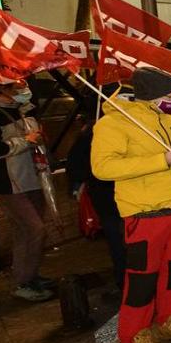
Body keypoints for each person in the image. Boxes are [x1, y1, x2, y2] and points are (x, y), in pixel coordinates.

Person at [91, 68, 171, 343]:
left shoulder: (169, 118)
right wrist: (162, 160)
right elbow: (103, 167)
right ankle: (137, 334)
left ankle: (169, 319)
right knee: (142, 279)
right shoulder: (114, 123)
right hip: (145, 213)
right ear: (151, 97)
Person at [0, 80, 55, 302]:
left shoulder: (21, 109)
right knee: (34, 228)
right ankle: (22, 281)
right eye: (17, 86)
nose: (23, 89)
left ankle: (29, 276)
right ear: (2, 88)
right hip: (8, 182)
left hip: (32, 176)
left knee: (26, 231)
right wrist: (25, 141)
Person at [66, 110, 125, 294]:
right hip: (110, 196)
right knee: (120, 240)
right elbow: (76, 168)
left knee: (121, 240)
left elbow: (75, 168)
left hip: (111, 195)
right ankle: (127, 282)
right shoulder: (95, 132)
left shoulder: (96, 130)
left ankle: (127, 282)